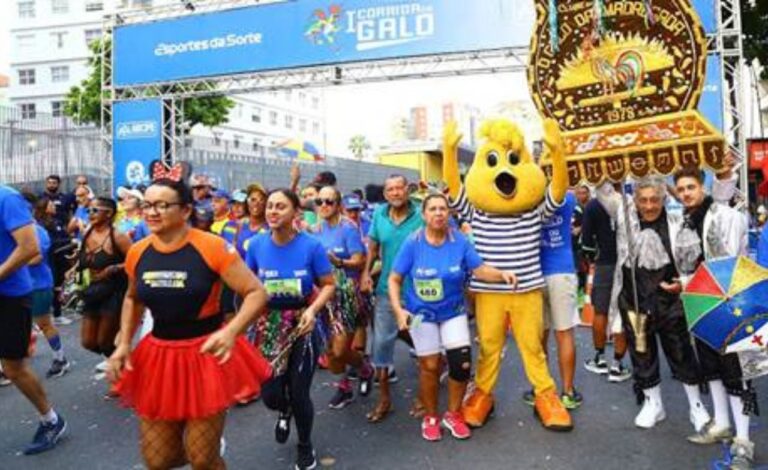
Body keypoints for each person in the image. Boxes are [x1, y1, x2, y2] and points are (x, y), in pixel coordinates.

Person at [107, 177, 271, 470]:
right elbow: (133, 298)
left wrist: (232, 331)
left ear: (185, 211)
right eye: (147, 205)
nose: (152, 212)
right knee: (158, 460)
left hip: (205, 354)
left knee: (202, 460)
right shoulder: (138, 251)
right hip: (158, 355)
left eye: (162, 205)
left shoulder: (212, 247)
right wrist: (123, 343)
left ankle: (207, 448)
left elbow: (256, 292)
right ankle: (203, 445)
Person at [389, 193, 517, 441]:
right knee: (430, 366)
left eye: (443, 209)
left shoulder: (459, 241)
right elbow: (395, 279)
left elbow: (479, 270)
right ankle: (431, 416)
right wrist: (398, 310)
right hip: (421, 315)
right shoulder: (412, 243)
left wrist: (502, 274)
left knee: (461, 365)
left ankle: (453, 414)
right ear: (424, 215)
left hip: (453, 312)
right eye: (433, 209)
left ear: (449, 214)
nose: (438, 213)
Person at [245, 189, 336, 470]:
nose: (272, 211)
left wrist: (312, 310)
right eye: (270, 206)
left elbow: (329, 284)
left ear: (296, 212)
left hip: (302, 324)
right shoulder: (257, 246)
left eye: (280, 207)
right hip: (269, 324)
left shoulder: (311, 246)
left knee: (300, 392)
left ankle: (305, 445)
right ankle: (282, 410)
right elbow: (248, 287)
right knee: (271, 394)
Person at [672, 168, 756, 467]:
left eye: (690, 187)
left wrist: (725, 179)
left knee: (736, 372)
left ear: (703, 187)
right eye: (680, 189)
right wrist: (682, 284)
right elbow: (691, 267)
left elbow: (731, 250)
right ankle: (721, 423)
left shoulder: (721, 213)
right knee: (712, 368)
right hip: (703, 303)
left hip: (731, 303)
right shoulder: (685, 221)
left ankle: (744, 441)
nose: (685, 193)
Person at [615, 178, 711, 432]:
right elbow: (605, 192)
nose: (649, 206)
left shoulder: (678, 221)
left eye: (654, 199)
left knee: (681, 352)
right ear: (635, 200)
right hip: (634, 301)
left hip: (670, 302)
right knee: (641, 352)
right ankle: (653, 404)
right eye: (643, 200)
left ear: (663, 199)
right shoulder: (625, 217)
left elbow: (707, 204)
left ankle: (696, 406)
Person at [0, 184, 67, 455]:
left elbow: (29, 248)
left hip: (10, 295)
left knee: (14, 367)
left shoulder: (7, 198)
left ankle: (51, 420)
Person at [360, 174, 424, 423]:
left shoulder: (422, 215)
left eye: (400, 188)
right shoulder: (379, 215)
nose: (396, 193)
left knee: (421, 340)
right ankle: (384, 399)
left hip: (418, 292)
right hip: (387, 291)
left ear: (407, 190)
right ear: (385, 194)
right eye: (391, 190)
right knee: (381, 345)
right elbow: (373, 247)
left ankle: (424, 394)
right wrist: (366, 273)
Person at [314, 185, 374, 409]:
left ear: (338, 205)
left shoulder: (348, 228)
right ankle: (344, 386)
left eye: (329, 202)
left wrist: (339, 262)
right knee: (330, 352)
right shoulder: (314, 230)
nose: (323, 206)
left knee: (340, 350)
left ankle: (365, 369)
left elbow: (360, 260)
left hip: (346, 294)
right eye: (320, 202)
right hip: (323, 295)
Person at [523, 191, 582, 409]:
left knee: (540, 335)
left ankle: (541, 389)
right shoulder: (566, 196)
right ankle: (567, 391)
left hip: (534, 273)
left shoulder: (526, 197)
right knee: (564, 333)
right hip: (562, 271)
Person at [581, 182, 631, 382]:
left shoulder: (593, 205)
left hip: (604, 265)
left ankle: (600, 359)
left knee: (600, 312)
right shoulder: (627, 203)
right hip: (626, 264)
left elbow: (586, 243)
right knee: (622, 312)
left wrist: (592, 258)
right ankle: (617, 365)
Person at [77, 197, 132, 368]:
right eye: (88, 211)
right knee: (88, 342)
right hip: (92, 292)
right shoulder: (87, 232)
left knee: (104, 342)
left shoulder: (118, 236)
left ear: (108, 213)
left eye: (95, 210)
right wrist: (74, 270)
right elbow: (83, 258)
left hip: (113, 294)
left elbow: (135, 261)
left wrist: (114, 268)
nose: (90, 214)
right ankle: (121, 362)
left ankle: (121, 372)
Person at [25, 194, 70, 378]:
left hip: (38, 284)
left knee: (44, 323)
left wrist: (10, 266)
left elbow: (36, 258)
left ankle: (60, 359)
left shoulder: (37, 231)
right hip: (17, 286)